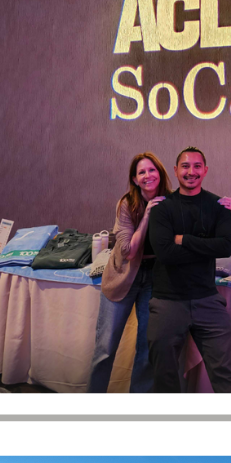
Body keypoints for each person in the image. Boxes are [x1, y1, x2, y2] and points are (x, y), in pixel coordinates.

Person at [146, 147, 231, 393]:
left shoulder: (218, 205)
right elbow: (165, 253)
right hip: (167, 301)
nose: (191, 172)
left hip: (207, 299)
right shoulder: (161, 207)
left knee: (226, 374)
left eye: (197, 166)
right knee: (164, 377)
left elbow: (225, 247)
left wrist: (183, 239)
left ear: (205, 170)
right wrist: (205, 247)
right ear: (176, 170)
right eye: (185, 166)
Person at [88, 153, 172, 393]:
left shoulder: (172, 201)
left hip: (154, 278)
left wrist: (222, 205)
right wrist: (147, 216)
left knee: (147, 350)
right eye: (141, 172)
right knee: (105, 349)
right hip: (122, 276)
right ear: (135, 180)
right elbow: (129, 251)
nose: (148, 176)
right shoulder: (127, 203)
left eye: (151, 170)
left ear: (160, 173)